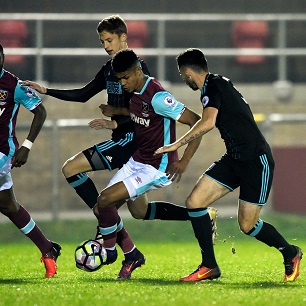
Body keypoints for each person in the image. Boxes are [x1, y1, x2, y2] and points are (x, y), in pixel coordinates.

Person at [22, 16, 218, 278]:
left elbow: (187, 120)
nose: (105, 45)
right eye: (102, 41)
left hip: (138, 149)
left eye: (109, 39)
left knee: (94, 192)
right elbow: (92, 96)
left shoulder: (147, 83)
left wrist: (180, 157)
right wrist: (46, 89)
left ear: (124, 39)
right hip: (135, 154)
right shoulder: (115, 72)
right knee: (140, 211)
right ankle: (195, 219)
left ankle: (110, 246)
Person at [154, 48, 303, 282]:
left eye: (182, 74)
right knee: (194, 202)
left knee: (247, 224)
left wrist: (177, 144)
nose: (183, 79)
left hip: (256, 160)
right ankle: (209, 266)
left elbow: (208, 122)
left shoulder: (213, 87)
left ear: (188, 71)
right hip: (234, 158)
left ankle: (290, 252)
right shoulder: (216, 84)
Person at [92, 48, 202, 279]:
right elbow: (140, 112)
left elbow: (196, 122)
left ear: (138, 71)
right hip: (138, 160)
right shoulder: (136, 91)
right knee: (114, 210)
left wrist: (184, 160)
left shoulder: (159, 97)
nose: (122, 83)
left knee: (105, 200)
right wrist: (117, 110)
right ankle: (132, 254)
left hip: (157, 167)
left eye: (126, 77)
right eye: (119, 78)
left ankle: (110, 251)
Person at [0, 43, 61, 278]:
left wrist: (26, 146)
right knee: (8, 206)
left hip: (3, 151)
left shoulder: (13, 84)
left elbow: (40, 111)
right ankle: (47, 248)